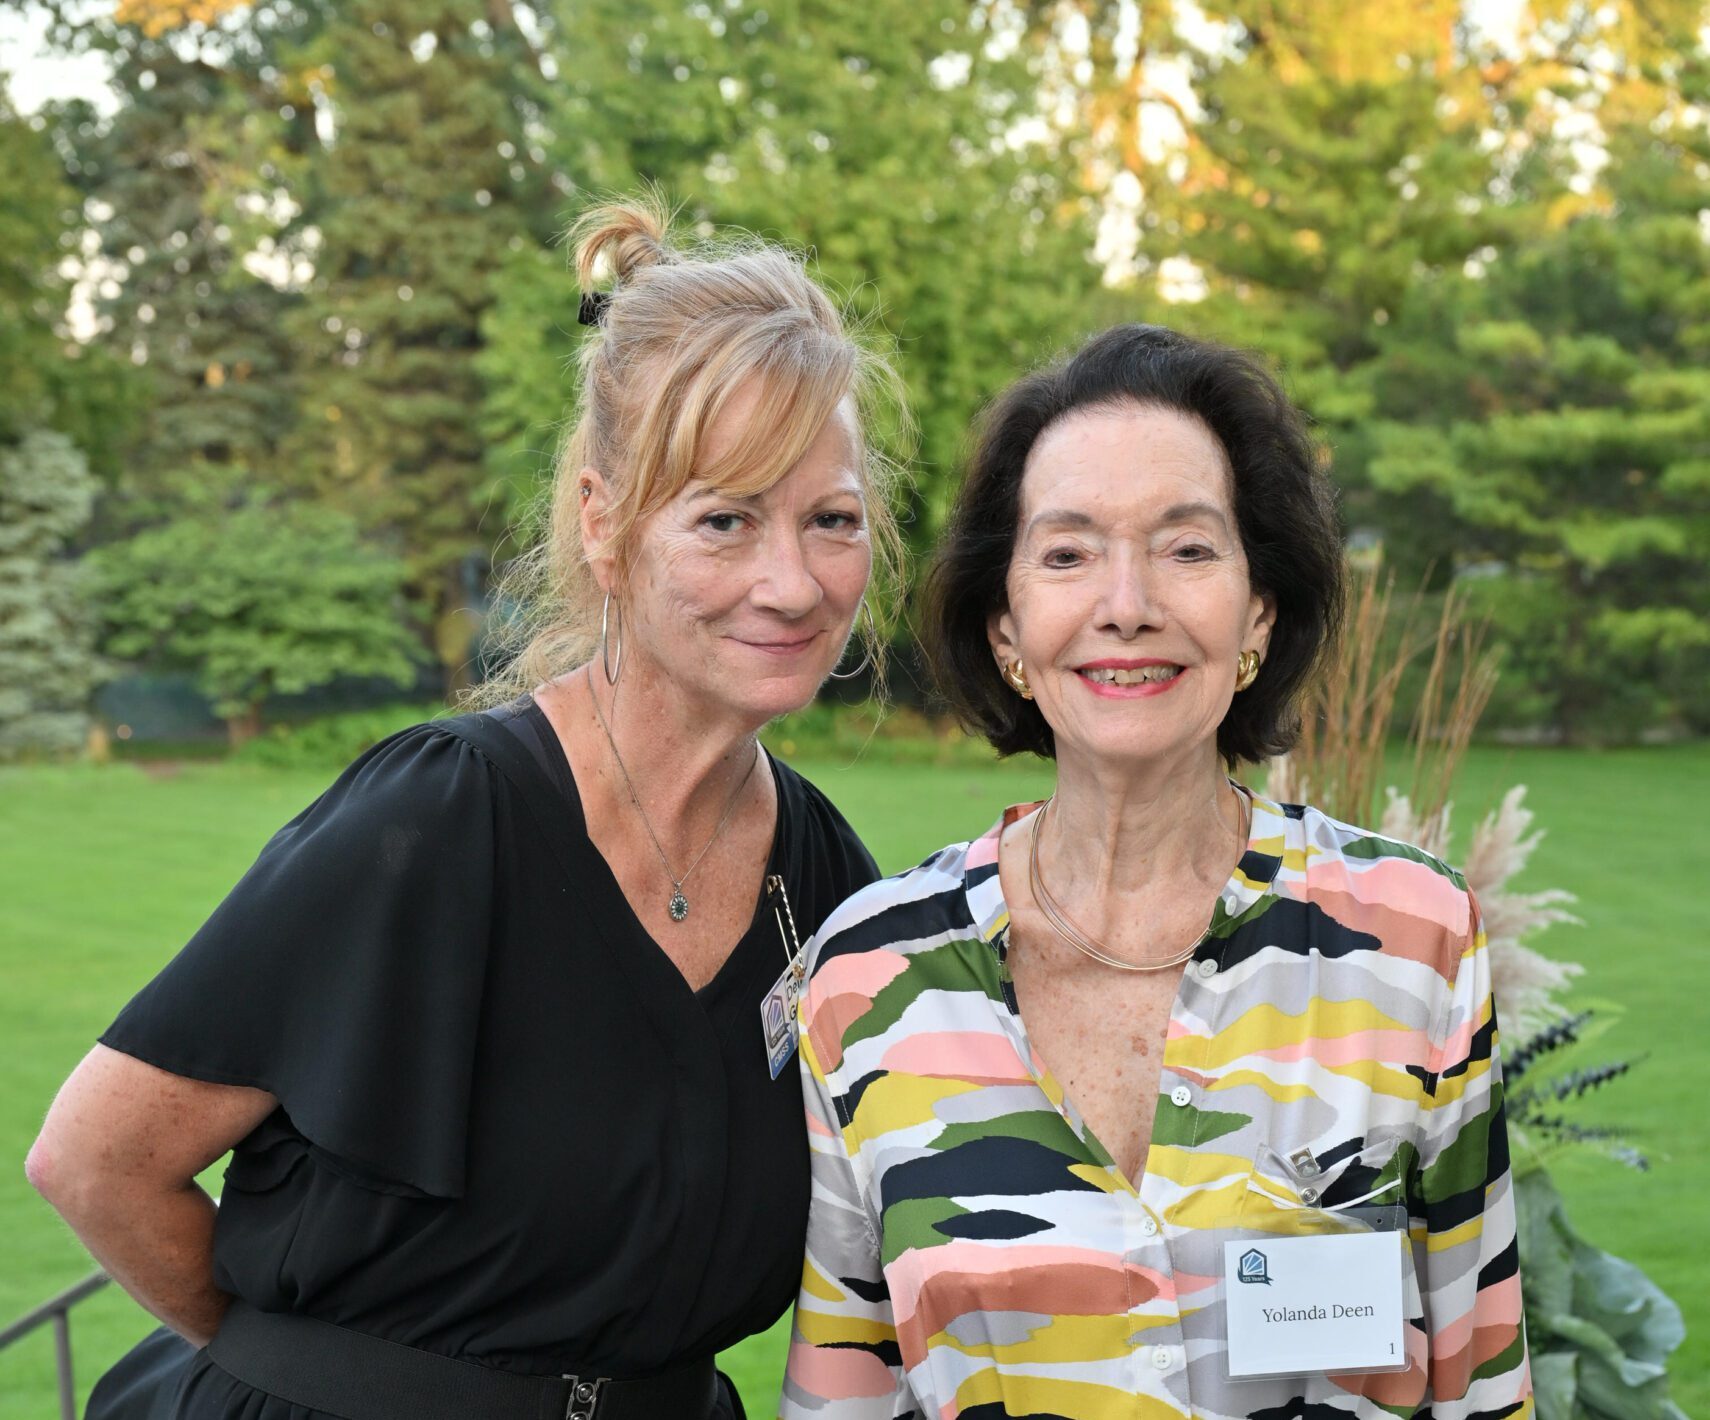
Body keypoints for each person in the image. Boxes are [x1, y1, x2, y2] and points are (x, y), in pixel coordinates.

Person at [26, 195, 903, 1420]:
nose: (793, 581)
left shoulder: (828, 879)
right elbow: (96, 1159)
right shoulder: (442, 821)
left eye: (833, 521)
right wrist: (313, 1375)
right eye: (725, 519)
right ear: (605, 524)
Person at [781, 324, 1532, 1420]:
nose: (1126, 602)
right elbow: (842, 1401)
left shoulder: (1412, 941)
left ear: (1257, 616)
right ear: (1007, 629)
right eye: (1070, 552)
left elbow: (1482, 1384)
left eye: (1186, 548)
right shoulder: (871, 978)